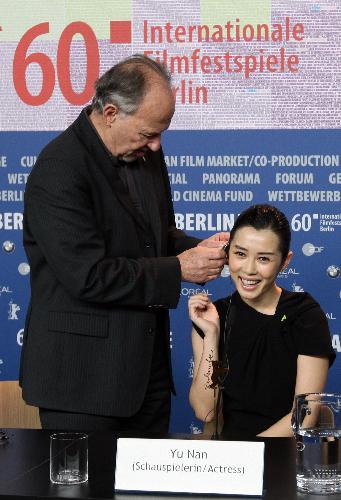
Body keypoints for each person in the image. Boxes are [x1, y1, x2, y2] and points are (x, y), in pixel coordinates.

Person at [20, 55, 228, 432]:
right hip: (82, 384)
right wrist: (181, 268)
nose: (156, 144)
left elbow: (156, 236)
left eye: (161, 133)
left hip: (146, 378)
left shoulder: (145, 155)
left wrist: (215, 252)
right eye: (149, 133)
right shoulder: (58, 169)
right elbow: (89, 276)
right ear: (111, 113)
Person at [188, 204, 335, 438]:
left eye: (264, 258)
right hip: (227, 461)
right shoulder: (214, 315)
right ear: (228, 253)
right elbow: (206, 412)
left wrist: (250, 458)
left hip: (280, 456)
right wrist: (212, 338)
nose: (249, 269)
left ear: (285, 261)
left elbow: (305, 416)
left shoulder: (304, 315)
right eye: (240, 254)